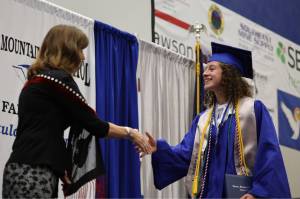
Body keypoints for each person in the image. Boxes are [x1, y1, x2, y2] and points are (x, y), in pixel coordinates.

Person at [2, 24, 150, 198]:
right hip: (35, 173)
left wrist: (59, 164)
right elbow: (94, 125)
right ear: (68, 50)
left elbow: (42, 132)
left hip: (18, 170)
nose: (83, 56)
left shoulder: (37, 81)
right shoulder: (60, 80)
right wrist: (130, 132)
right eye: (80, 49)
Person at [144, 42, 291, 198]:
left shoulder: (252, 110)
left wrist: (258, 193)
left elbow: (269, 155)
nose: (205, 73)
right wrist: (160, 150)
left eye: (212, 68)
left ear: (228, 73)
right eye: (206, 68)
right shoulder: (203, 119)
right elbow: (187, 154)